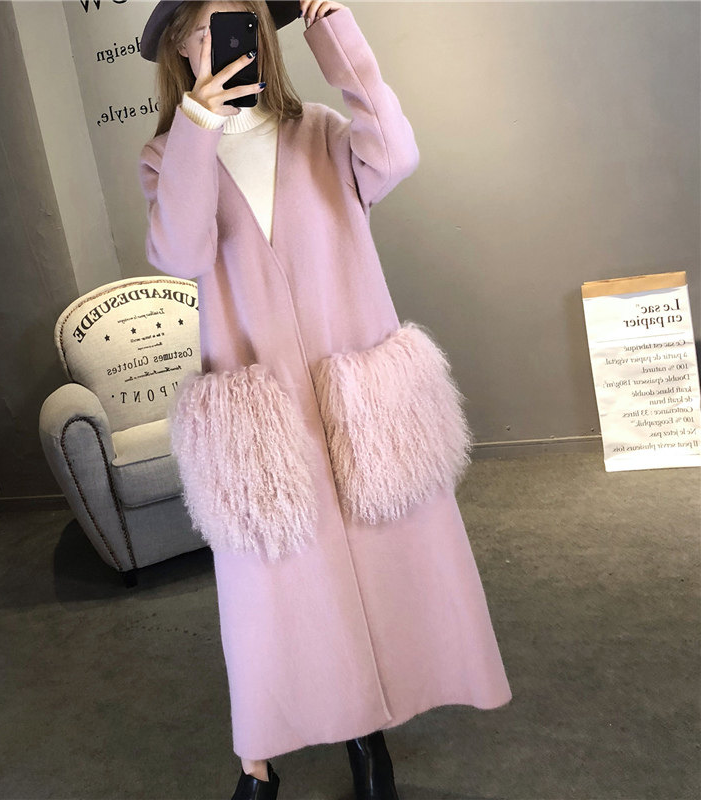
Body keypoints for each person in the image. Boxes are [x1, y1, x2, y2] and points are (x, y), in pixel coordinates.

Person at [138, 2, 513, 798]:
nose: (220, 41)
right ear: (179, 48)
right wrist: (199, 125)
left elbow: (397, 153)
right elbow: (180, 250)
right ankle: (258, 758)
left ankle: (368, 740)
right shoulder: (169, 154)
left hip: (356, 399)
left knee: (376, 570)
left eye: (236, 21)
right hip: (262, 418)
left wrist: (335, 29)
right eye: (202, 30)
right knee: (272, 599)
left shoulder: (320, 131)